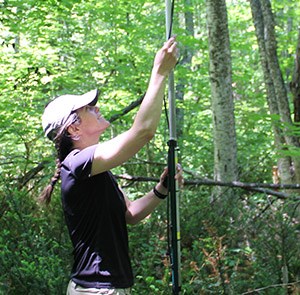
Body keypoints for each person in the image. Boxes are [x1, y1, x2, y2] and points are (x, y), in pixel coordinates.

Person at [39, 36, 183, 295]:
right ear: (74, 128)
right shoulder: (77, 164)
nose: (97, 108)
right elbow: (143, 132)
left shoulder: (95, 170)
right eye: (89, 108)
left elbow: (130, 215)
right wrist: (159, 72)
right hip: (96, 290)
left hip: (106, 288)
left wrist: (162, 189)